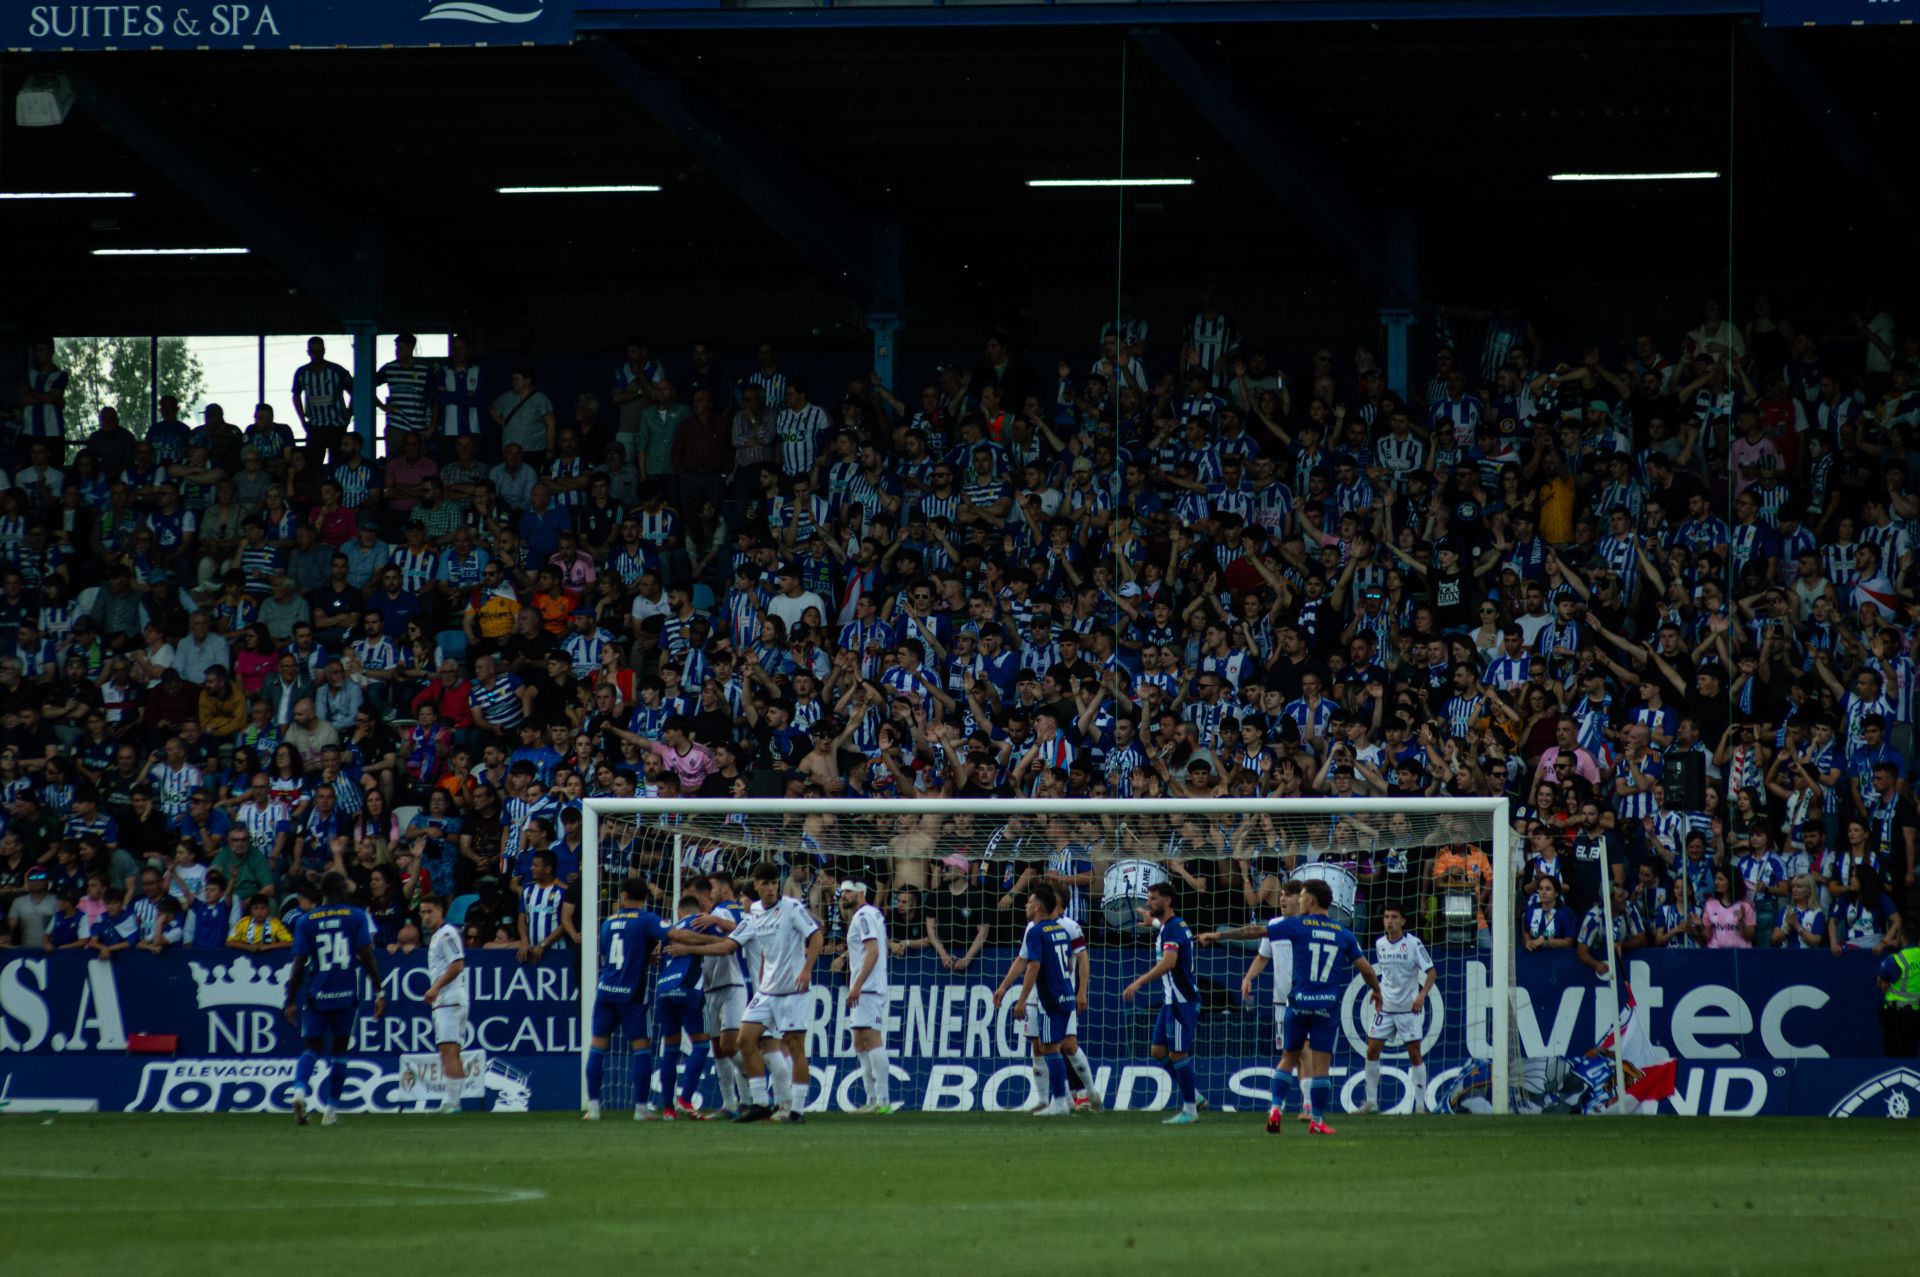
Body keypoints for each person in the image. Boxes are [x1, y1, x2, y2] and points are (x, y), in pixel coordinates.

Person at [1203, 877, 1382, 1135]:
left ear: (1309, 900)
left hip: (1297, 1003)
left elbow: (1255, 931)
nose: (1298, 900)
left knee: (1288, 1058)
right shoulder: (1343, 933)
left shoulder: (1296, 925)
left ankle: (1275, 1109)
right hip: (1325, 1006)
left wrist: (1218, 934)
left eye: (1302, 896)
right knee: (1321, 1067)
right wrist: (1377, 991)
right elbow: (1365, 968)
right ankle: (1317, 1121)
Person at [668, 860, 821, 1123]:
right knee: (744, 1040)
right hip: (766, 991)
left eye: (775, 883)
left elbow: (816, 935)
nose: (772, 888)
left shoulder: (792, 907)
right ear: (757, 886)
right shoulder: (754, 914)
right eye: (766, 883)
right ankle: (760, 1102)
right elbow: (727, 946)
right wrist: (691, 950)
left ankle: (796, 1109)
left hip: (792, 990)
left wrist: (807, 969)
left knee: (795, 1046)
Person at [284, 871, 387, 1126]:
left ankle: (299, 1089)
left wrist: (290, 1000)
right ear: (341, 890)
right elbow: (366, 955)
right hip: (345, 995)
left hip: (317, 995)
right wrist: (379, 991)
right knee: (340, 1050)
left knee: (311, 1048)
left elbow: (298, 964)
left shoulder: (306, 921)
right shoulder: (356, 916)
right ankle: (330, 1110)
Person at [583, 876, 670, 1122]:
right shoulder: (646, 919)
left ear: (623, 897)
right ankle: (641, 1110)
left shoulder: (608, 922)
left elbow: (606, 954)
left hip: (605, 991)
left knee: (597, 1046)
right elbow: (671, 933)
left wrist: (641, 955)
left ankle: (593, 1109)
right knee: (640, 1048)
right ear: (645, 897)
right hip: (630, 995)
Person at [1357, 904, 1436, 1114]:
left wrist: (1421, 995)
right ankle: (1371, 1101)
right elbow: (1385, 976)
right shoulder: (1380, 943)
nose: (1389, 921)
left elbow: (1431, 973)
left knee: (1414, 1054)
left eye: (1393, 917)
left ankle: (1420, 1105)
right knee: (1372, 1051)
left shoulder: (1413, 944)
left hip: (1408, 1010)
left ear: (1402, 921)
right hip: (1385, 1008)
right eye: (1385, 917)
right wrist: (1377, 992)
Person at [1010, 882, 1078, 1119]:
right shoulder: (1060, 930)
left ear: (1038, 907)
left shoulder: (1036, 932)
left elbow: (1034, 966)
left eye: (1029, 902)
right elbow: (1069, 963)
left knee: (1049, 1048)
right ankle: (1065, 1100)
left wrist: (1020, 1000)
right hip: (1066, 993)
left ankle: (1058, 1101)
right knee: (1053, 1047)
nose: (1026, 906)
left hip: (1049, 997)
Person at [689, 872, 750, 1118]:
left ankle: (752, 1088)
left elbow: (729, 940)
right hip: (717, 984)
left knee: (728, 1046)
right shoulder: (743, 910)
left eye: (711, 888)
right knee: (719, 1047)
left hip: (730, 983)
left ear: (724, 889)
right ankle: (731, 1103)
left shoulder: (722, 912)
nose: (709, 893)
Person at [647, 893, 709, 1120]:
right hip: (688, 988)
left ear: (679, 912)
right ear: (696, 909)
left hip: (663, 990)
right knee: (701, 1045)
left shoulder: (669, 932)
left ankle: (668, 1109)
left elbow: (657, 957)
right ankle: (686, 1100)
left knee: (671, 1049)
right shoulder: (699, 922)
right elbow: (725, 942)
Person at [837, 879, 894, 1115]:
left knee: (871, 1041)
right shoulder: (872, 914)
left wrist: (857, 985)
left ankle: (882, 1101)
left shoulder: (863, 916)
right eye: (842, 892)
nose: (843, 895)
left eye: (848, 891)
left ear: (862, 892)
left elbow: (873, 951)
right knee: (860, 1043)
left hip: (867, 987)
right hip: (868, 985)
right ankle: (872, 1099)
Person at [420, 894, 470, 1116]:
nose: (426, 917)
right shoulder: (437, 936)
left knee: (449, 1050)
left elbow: (457, 964)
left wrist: (435, 987)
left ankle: (453, 1102)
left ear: (441, 911)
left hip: (450, 999)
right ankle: (451, 1101)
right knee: (449, 1050)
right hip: (447, 1000)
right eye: (422, 912)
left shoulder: (447, 933)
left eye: (430, 911)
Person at [1878, 941, 1920, 1058]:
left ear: (1903, 938)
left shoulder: (1897, 959)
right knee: (1911, 1051)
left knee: (1895, 1053)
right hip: (1916, 1011)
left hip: (1897, 1013)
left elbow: (1882, 984)